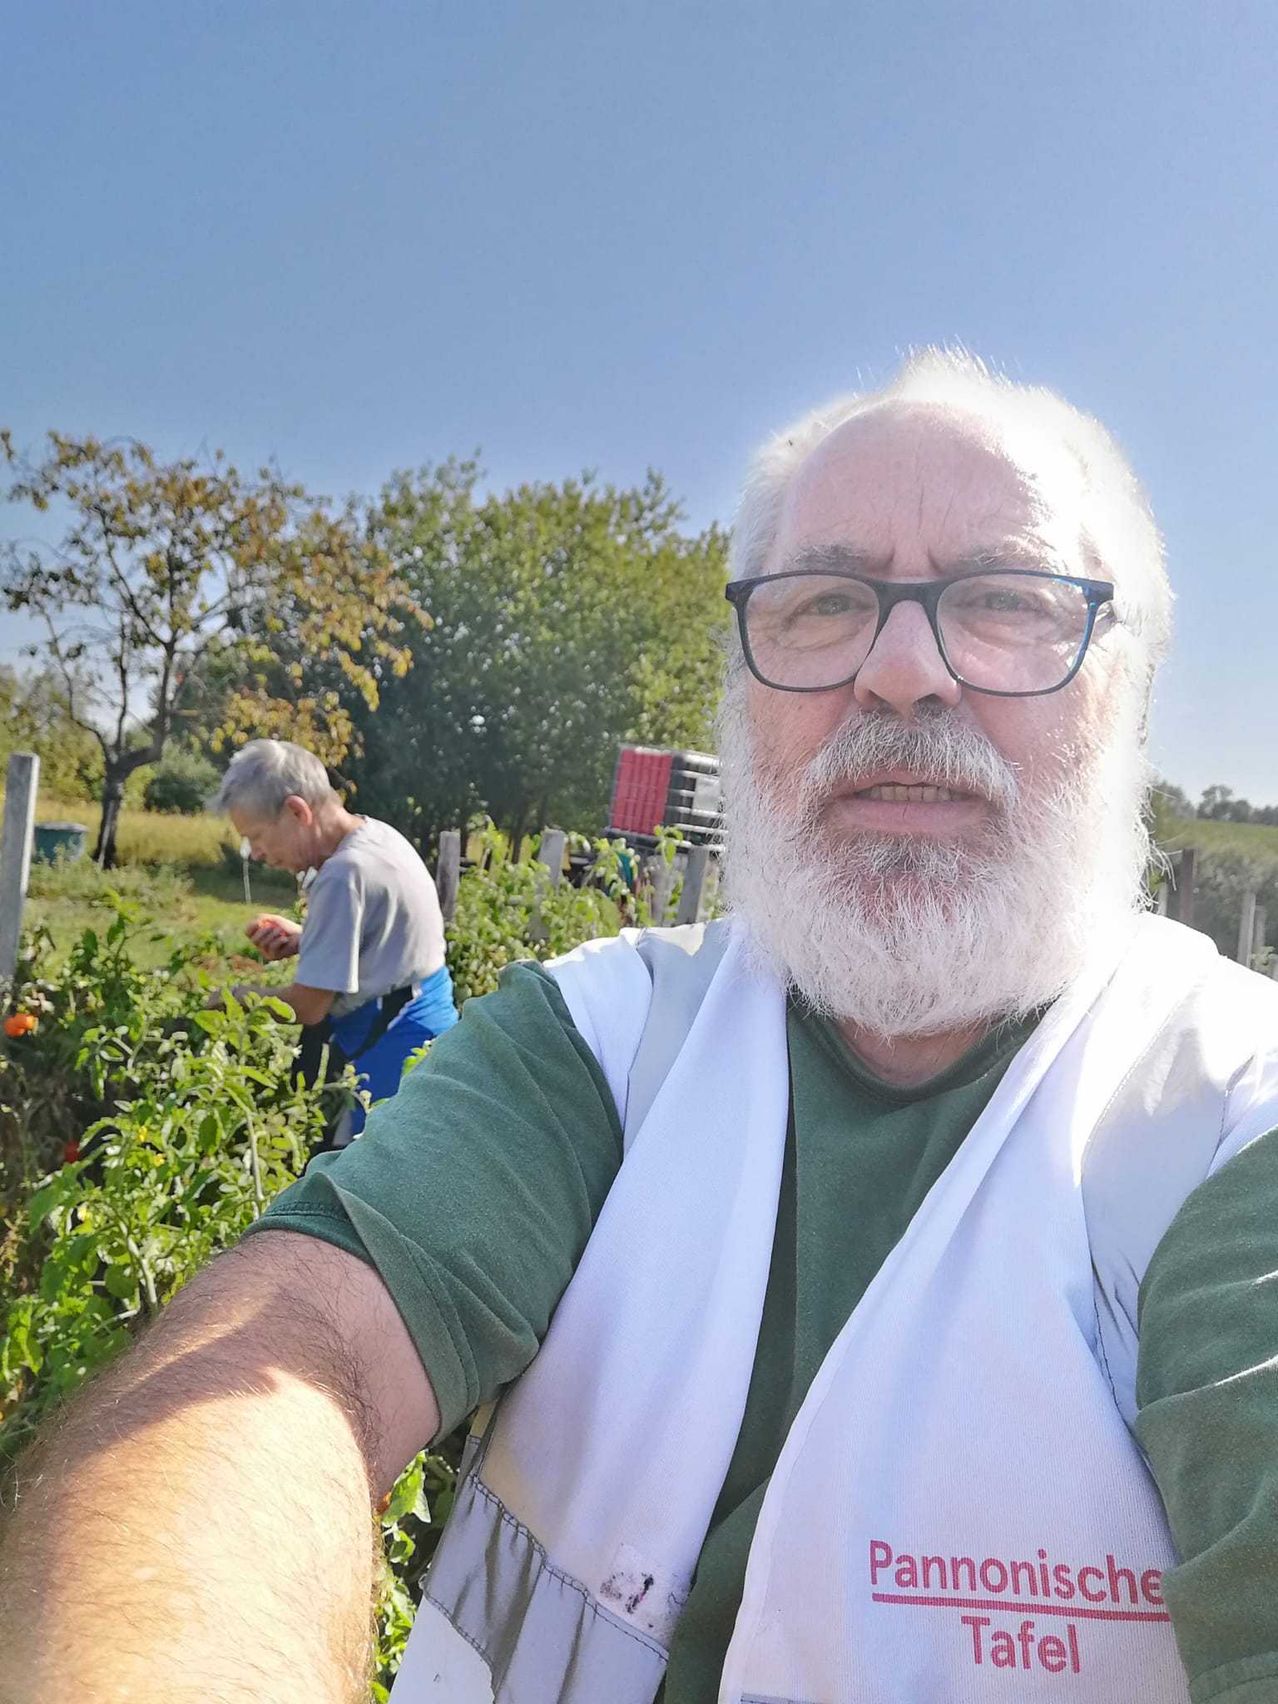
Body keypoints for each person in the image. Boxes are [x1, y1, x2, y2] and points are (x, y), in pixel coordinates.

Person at [3, 352, 1277, 1704]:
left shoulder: (1231, 1112)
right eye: (823, 601)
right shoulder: (601, 1036)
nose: (901, 672)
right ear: (742, 688)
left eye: (1007, 599)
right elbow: (284, 1361)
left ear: (1128, 692)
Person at [215, 739, 457, 1142]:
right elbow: (386, 937)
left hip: (392, 1052)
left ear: (297, 812)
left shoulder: (343, 875)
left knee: (371, 1169)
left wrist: (235, 997)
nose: (255, 853)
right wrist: (306, 938)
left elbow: (308, 1007)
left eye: (256, 836)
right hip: (426, 1032)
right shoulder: (376, 834)